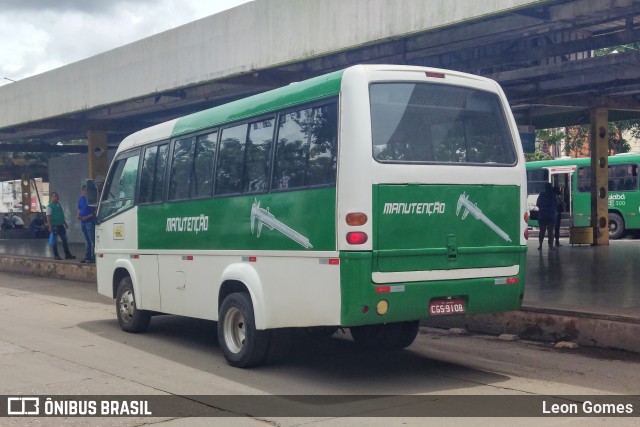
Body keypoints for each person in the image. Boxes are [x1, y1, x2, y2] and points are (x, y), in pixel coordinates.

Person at [46, 192, 76, 260]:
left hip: (61, 225)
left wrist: (65, 223)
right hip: (54, 225)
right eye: (54, 196)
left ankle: (67, 254)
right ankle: (56, 255)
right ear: (51, 198)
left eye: (56, 196)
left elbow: (61, 215)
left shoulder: (58, 205)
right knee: (55, 241)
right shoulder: (49, 206)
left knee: (64, 239)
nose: (55, 198)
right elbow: (48, 217)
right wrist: (50, 226)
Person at [536, 182, 558, 251]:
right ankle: (551, 246)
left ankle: (540, 245)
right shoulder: (554, 195)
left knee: (542, 231)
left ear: (545, 188)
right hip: (551, 215)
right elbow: (557, 204)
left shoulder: (542, 195)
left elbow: (538, 204)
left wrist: (543, 208)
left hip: (542, 215)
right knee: (551, 231)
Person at [77, 185, 96, 263]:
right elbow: (79, 208)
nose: (85, 192)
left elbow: (96, 210)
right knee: (87, 240)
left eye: (86, 190)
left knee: (92, 240)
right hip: (83, 222)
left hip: (89, 222)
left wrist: (88, 216)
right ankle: (87, 257)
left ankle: (94, 257)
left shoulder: (91, 199)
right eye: (84, 190)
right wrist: (78, 214)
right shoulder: (81, 199)